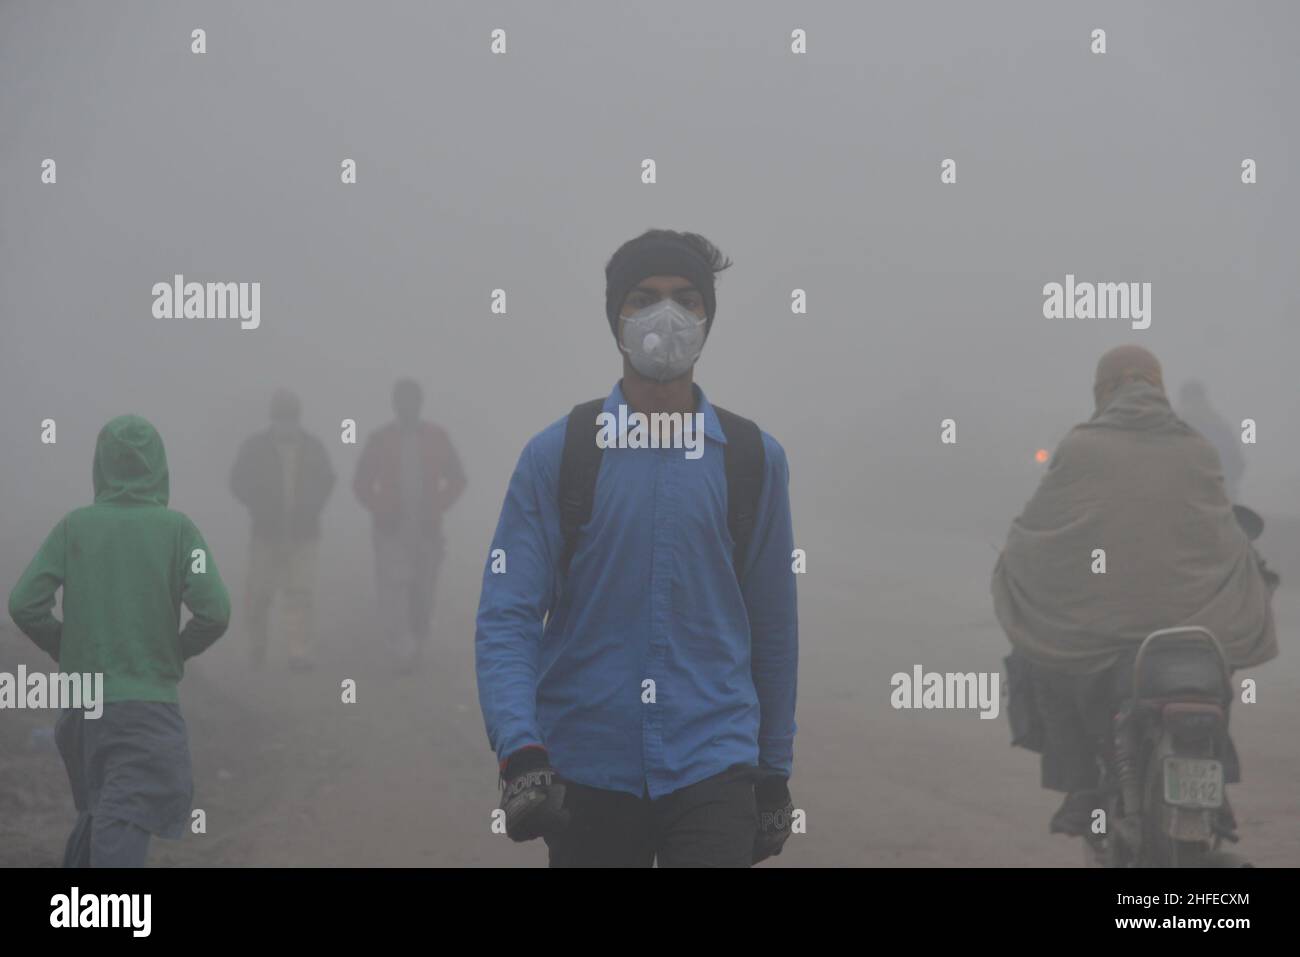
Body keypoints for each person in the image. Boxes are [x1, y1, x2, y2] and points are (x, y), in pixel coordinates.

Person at [476, 229, 799, 867]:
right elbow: (508, 613)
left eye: (686, 298)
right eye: (643, 297)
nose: (666, 315)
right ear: (614, 317)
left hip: (714, 765)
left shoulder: (753, 461)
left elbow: (773, 625)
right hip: (586, 770)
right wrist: (521, 752)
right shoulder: (561, 457)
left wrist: (774, 771)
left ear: (708, 317)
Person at [992, 346, 1278, 836]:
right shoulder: (1198, 447)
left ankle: (1081, 786)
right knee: (1213, 669)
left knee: (1043, 664)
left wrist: (1020, 558)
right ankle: (1218, 794)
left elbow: (1042, 531)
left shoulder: (1081, 447)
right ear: (1159, 387)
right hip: (1192, 630)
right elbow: (1222, 532)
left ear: (1103, 391)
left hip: (1098, 634)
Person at [8, 415, 231, 866]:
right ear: (159, 467)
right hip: (145, 709)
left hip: (81, 708)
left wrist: (67, 648)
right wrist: (173, 651)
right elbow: (216, 611)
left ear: (101, 466)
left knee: (102, 810)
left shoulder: (74, 527)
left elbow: (24, 603)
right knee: (122, 817)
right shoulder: (179, 531)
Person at [353, 379, 466, 673]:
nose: (406, 406)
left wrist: (438, 506)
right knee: (394, 587)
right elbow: (361, 482)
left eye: (411, 400)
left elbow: (457, 479)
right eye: (401, 400)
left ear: (420, 403)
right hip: (390, 530)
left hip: (427, 529)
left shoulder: (437, 437)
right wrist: (380, 509)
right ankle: (400, 648)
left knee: (423, 590)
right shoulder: (380, 439)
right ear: (394, 404)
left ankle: (418, 639)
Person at [230, 389, 336, 671]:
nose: (286, 422)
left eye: (291, 416)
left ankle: (298, 652)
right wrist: (258, 504)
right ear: (273, 417)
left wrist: (311, 508)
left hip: (304, 534)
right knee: (259, 594)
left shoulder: (313, 448)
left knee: (300, 593)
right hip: (265, 532)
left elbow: (328, 480)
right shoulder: (255, 448)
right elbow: (237, 481)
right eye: (282, 416)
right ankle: (257, 646)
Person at [1177, 379, 1246, 502]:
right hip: (1218, 500)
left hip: (1190, 501)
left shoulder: (1173, 427)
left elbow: (1237, 464)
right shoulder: (1220, 426)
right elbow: (1238, 464)